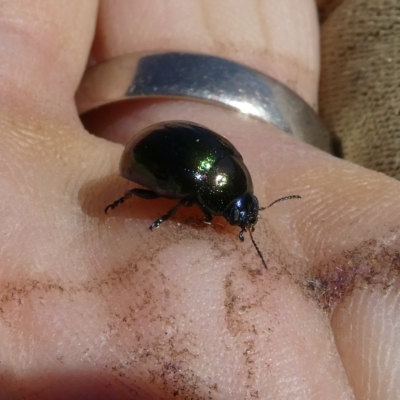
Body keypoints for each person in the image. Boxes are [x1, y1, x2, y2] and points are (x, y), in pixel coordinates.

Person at [0, 1, 398, 399]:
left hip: (180, 147)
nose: (241, 220)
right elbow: (185, 200)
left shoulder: (230, 177)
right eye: (238, 213)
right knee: (169, 197)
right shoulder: (215, 186)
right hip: (147, 155)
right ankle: (127, 202)